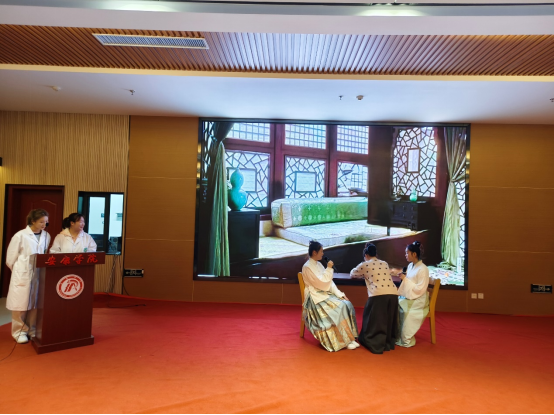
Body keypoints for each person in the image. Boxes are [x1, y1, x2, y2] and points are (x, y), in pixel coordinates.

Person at [301, 241, 359, 352]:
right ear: (314, 252)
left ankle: (350, 338)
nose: (323, 253)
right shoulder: (307, 267)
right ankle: (344, 341)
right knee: (338, 308)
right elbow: (321, 283)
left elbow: (329, 282)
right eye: (321, 251)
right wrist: (328, 268)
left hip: (324, 293)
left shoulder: (318, 264)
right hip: (315, 297)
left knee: (346, 304)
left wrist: (340, 294)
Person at [5, 209, 51, 344]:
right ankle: (19, 332)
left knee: (35, 304)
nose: (44, 225)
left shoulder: (46, 236)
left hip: (39, 274)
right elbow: (10, 259)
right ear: (33, 221)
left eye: (46, 222)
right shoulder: (20, 235)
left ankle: (32, 330)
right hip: (22, 274)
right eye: (41, 222)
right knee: (20, 305)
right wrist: (20, 271)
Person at [350, 243, 399, 354]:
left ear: (366, 255)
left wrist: (363, 274)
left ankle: (376, 345)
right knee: (387, 320)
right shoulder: (384, 263)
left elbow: (352, 274)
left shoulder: (365, 264)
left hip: (378, 295)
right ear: (376, 254)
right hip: (393, 294)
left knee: (373, 319)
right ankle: (388, 343)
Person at [395, 241, 430, 348]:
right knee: (394, 303)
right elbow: (410, 282)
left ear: (414, 254)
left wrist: (405, 279)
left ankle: (405, 338)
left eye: (407, 253)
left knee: (404, 309)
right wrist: (404, 278)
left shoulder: (423, 269)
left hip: (418, 298)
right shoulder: (410, 266)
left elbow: (420, 289)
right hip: (410, 296)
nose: (405, 255)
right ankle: (397, 335)